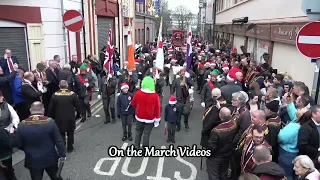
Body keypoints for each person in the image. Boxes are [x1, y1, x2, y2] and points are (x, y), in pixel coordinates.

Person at [15, 102, 66, 180]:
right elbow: (58, 140)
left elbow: (18, 143)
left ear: (30, 110)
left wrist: (27, 150)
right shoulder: (50, 122)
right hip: (50, 157)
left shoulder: (22, 124)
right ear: (43, 110)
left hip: (32, 159)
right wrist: (62, 154)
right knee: (55, 177)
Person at [48, 80, 81, 152]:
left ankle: (62, 146)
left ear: (59, 86)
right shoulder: (72, 94)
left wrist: (50, 116)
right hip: (70, 117)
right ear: (67, 86)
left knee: (60, 133)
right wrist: (79, 113)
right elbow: (78, 105)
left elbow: (51, 108)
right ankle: (70, 147)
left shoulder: (55, 95)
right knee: (70, 132)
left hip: (59, 118)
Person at [207, 107, 237, 180]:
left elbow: (212, 147)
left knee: (214, 176)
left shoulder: (216, 130)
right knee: (224, 174)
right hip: (227, 154)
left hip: (216, 156)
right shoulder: (234, 124)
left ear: (220, 116)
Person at [131, 76, 161, 149]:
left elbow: (133, 104)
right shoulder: (155, 96)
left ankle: (136, 147)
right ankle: (145, 149)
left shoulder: (138, 93)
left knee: (138, 132)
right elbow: (157, 108)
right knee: (146, 134)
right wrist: (157, 119)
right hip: (150, 119)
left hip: (139, 117)